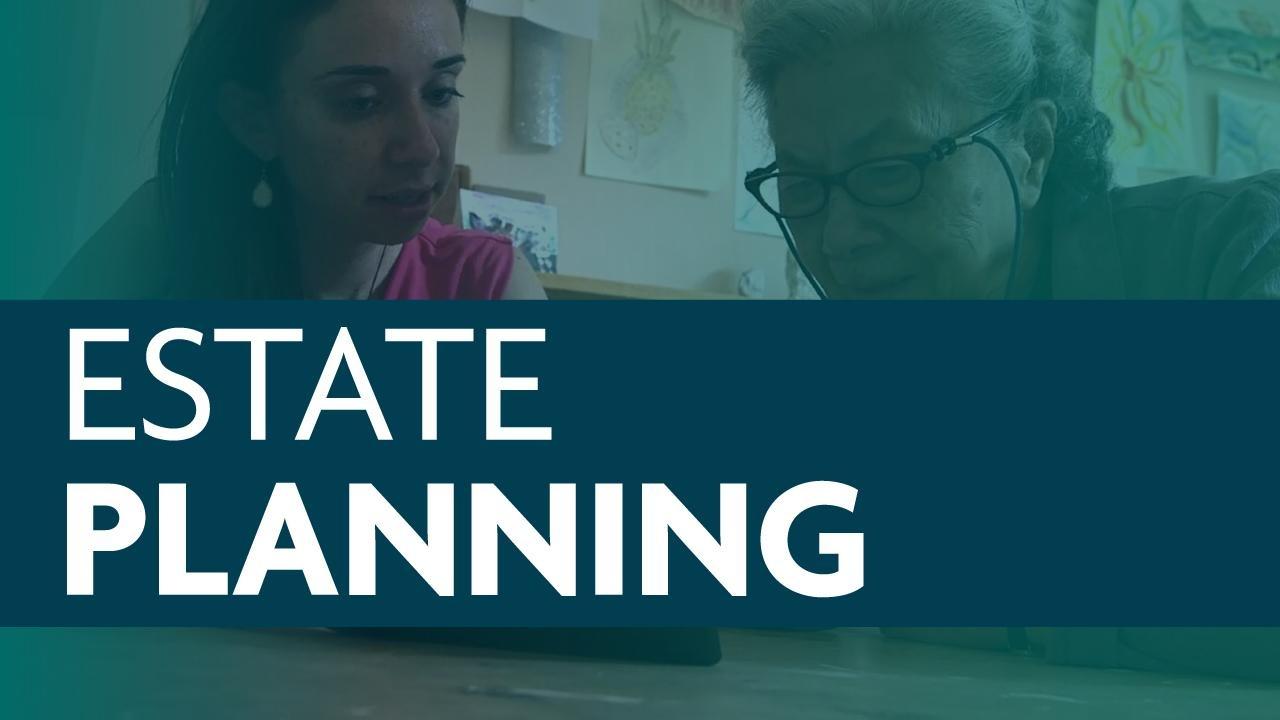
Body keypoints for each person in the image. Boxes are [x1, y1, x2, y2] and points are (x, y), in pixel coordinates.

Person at [741, 0, 1280, 301]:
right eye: (804, 185)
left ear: (1032, 149)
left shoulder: (1236, 249)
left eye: (888, 171)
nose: (839, 238)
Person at [50, 0, 545, 301]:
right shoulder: (166, 237)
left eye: (440, 92)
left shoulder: (488, 289)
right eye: (362, 103)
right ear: (254, 121)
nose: (421, 148)